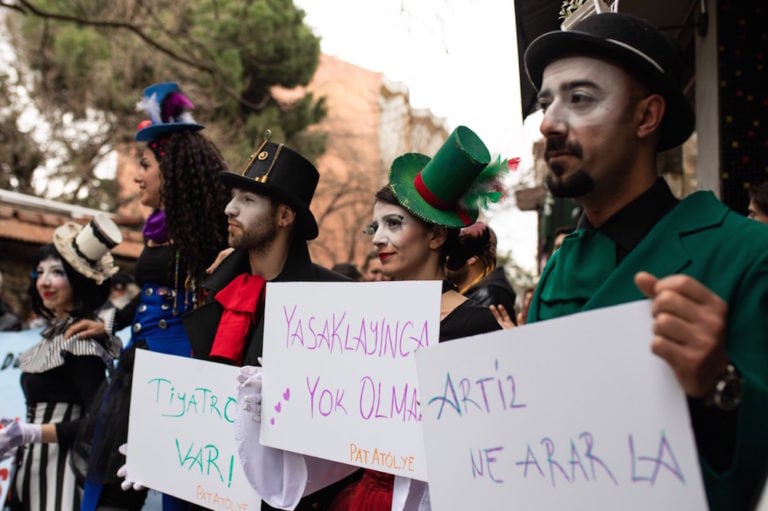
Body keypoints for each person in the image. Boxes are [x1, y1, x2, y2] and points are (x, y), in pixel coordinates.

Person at [523, 12, 768, 510]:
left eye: (580, 98)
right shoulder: (557, 267)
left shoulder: (747, 253)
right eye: (546, 102)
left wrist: (720, 384)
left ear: (646, 117)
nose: (549, 122)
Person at [234, 125, 508, 511]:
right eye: (375, 225)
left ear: (434, 237)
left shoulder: (472, 325)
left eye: (394, 224)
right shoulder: (360, 319)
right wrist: (280, 398)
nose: (378, 238)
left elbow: (484, 443)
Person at [66, 81, 230, 511]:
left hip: (180, 368)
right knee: (111, 490)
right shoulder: (157, 230)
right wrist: (110, 324)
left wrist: (231, 256)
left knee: (176, 486)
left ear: (171, 173)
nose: (137, 175)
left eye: (144, 165)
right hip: (137, 362)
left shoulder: (208, 235)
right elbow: (147, 297)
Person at [175, 130, 360, 510]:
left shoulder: (335, 298)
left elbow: (343, 423)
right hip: (208, 486)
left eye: (247, 200)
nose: (230, 209)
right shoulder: (220, 289)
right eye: (231, 198)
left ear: (284, 215)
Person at [0, 215, 123, 511]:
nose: (44, 281)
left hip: (64, 479)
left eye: (57, 272)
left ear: (78, 280)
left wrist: (33, 432)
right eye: (40, 272)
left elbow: (100, 422)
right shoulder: (52, 335)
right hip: (29, 474)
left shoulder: (81, 341)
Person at [447, 221, 517, 328]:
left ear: (472, 260)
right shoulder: (472, 296)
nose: (446, 258)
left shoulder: (489, 298)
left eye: (454, 251)